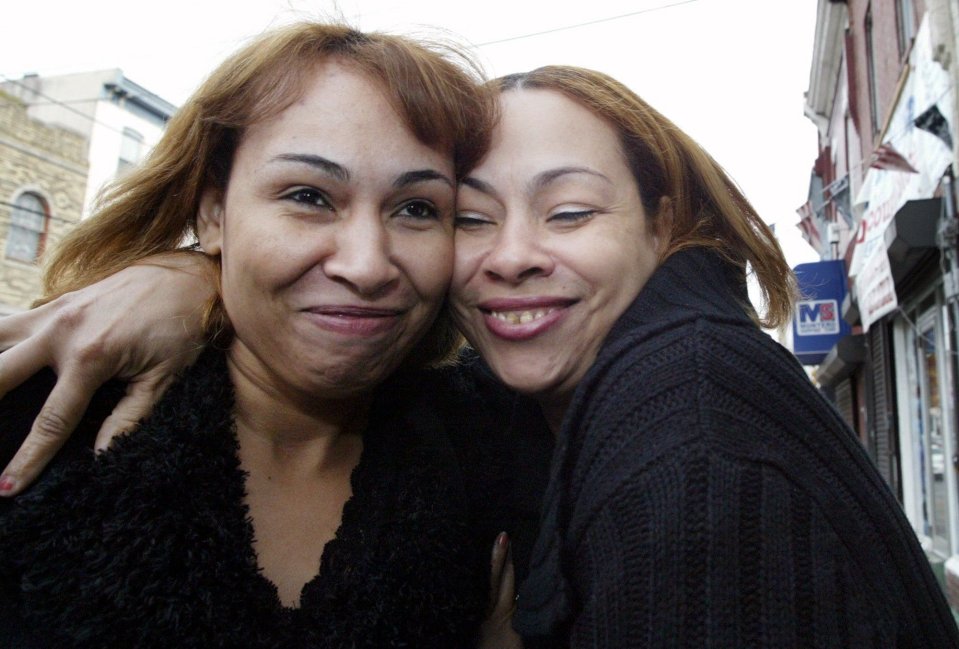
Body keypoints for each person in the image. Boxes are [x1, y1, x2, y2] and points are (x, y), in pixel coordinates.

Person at [3, 63, 958, 648]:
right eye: (466, 217)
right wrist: (193, 278)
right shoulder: (512, 417)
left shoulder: (687, 443)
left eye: (570, 211)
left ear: (661, 225)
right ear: (215, 207)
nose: (508, 255)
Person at [0, 20, 531, 648]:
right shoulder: (45, 416)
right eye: (308, 196)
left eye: (417, 208)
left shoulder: (495, 454)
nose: (365, 265)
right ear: (213, 212)